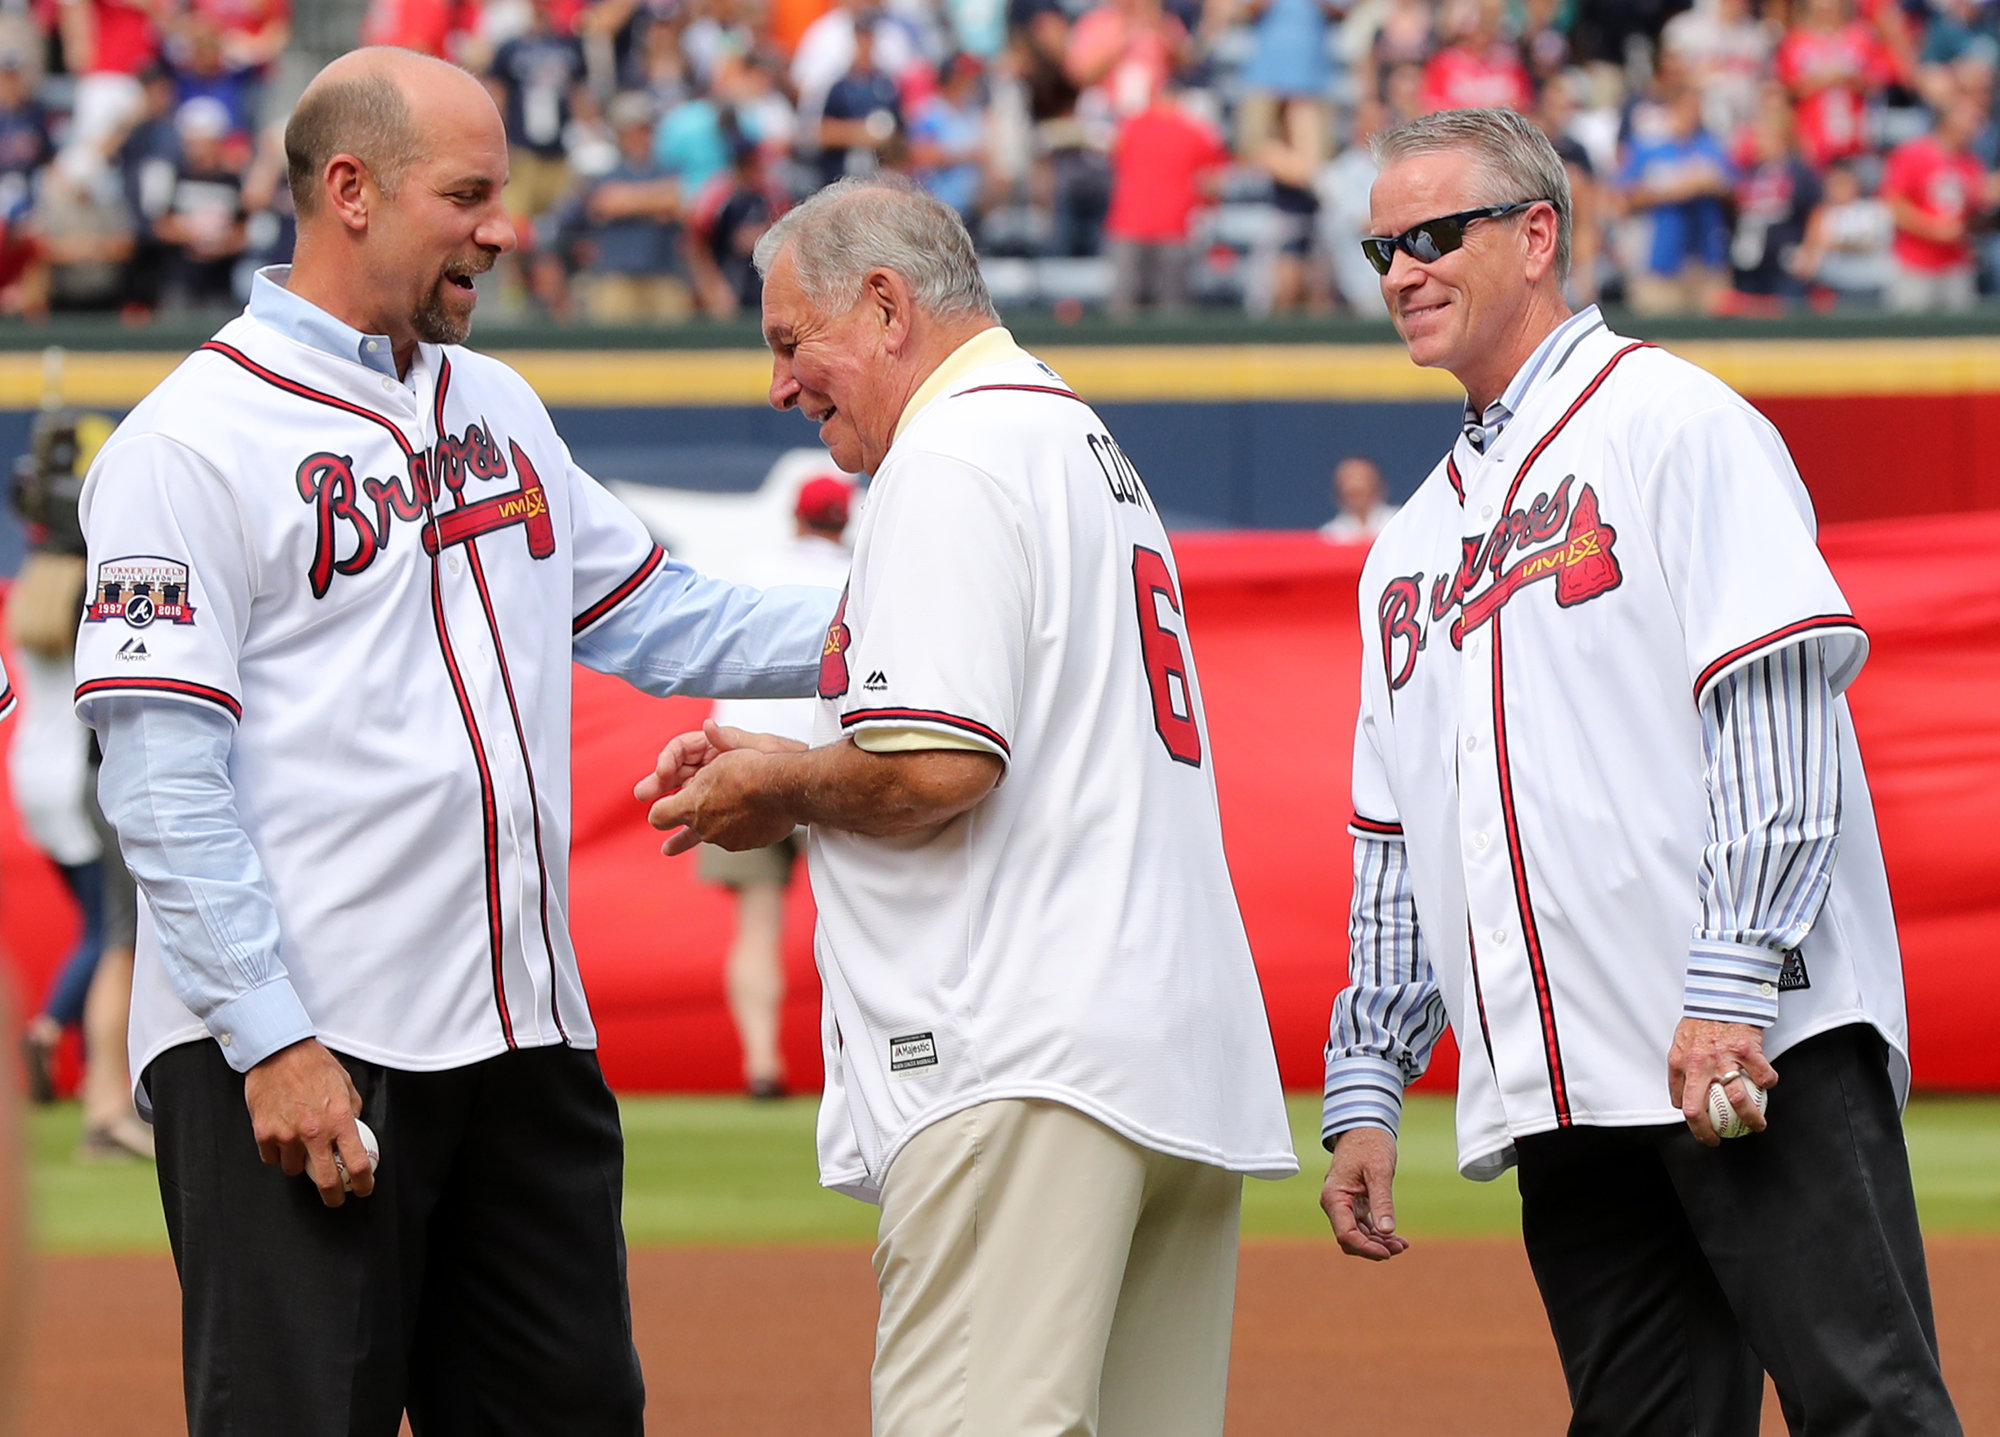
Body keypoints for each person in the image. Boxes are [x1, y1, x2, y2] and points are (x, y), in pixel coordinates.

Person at [71, 48, 836, 1437]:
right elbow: (163, 780)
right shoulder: (190, 443)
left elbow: (661, 615)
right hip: (311, 1042)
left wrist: (908, 620)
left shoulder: (494, 405)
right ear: (349, 191)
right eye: (470, 193)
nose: (505, 226)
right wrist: (268, 1038)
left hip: (522, 1042)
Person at [1322, 106, 1962, 1436]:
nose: (1401, 271)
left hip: (1747, 1045)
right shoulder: (1410, 544)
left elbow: (1772, 705)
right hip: (1566, 1081)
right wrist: (1371, 1075)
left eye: (1436, 233)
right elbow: (1396, 828)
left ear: (1539, 233)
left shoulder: (1674, 422)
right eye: (1382, 244)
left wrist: (1733, 980)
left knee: (1868, 1409)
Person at [635, 176, 1295, 1437]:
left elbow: (938, 766)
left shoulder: (948, 454)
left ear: (884, 305)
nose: (779, 384)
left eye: (790, 341)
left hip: (1018, 1050)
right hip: (1162, 1054)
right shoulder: (1066, 435)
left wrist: (779, 783)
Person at [698, 476, 855, 1100]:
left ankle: (762, 1066)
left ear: (794, 519)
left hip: (747, 769)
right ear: (844, 522)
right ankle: (853, 1076)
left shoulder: (753, 569)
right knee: (858, 928)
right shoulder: (867, 572)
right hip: (839, 771)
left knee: (757, 930)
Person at [1617, 80, 1733, 314]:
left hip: (1706, 261)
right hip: (1659, 264)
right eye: (1687, 107)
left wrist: (1711, 184)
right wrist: (1675, 189)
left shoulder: (1711, 147)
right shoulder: (1649, 148)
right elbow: (1623, 199)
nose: (1693, 114)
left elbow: (1732, 190)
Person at [1881, 89, 1991, 313]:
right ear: (1949, 118)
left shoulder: (1971, 163)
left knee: (1960, 338)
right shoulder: (1914, 154)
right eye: (1968, 117)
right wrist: (1933, 229)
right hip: (1916, 264)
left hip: (1956, 264)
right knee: (1909, 336)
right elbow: (1894, 204)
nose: (1974, 125)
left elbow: (1972, 212)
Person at [1316, 453, 1396, 540]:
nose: (1355, 486)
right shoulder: (1330, 534)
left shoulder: (1397, 520)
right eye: (1348, 479)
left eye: (1363, 478)